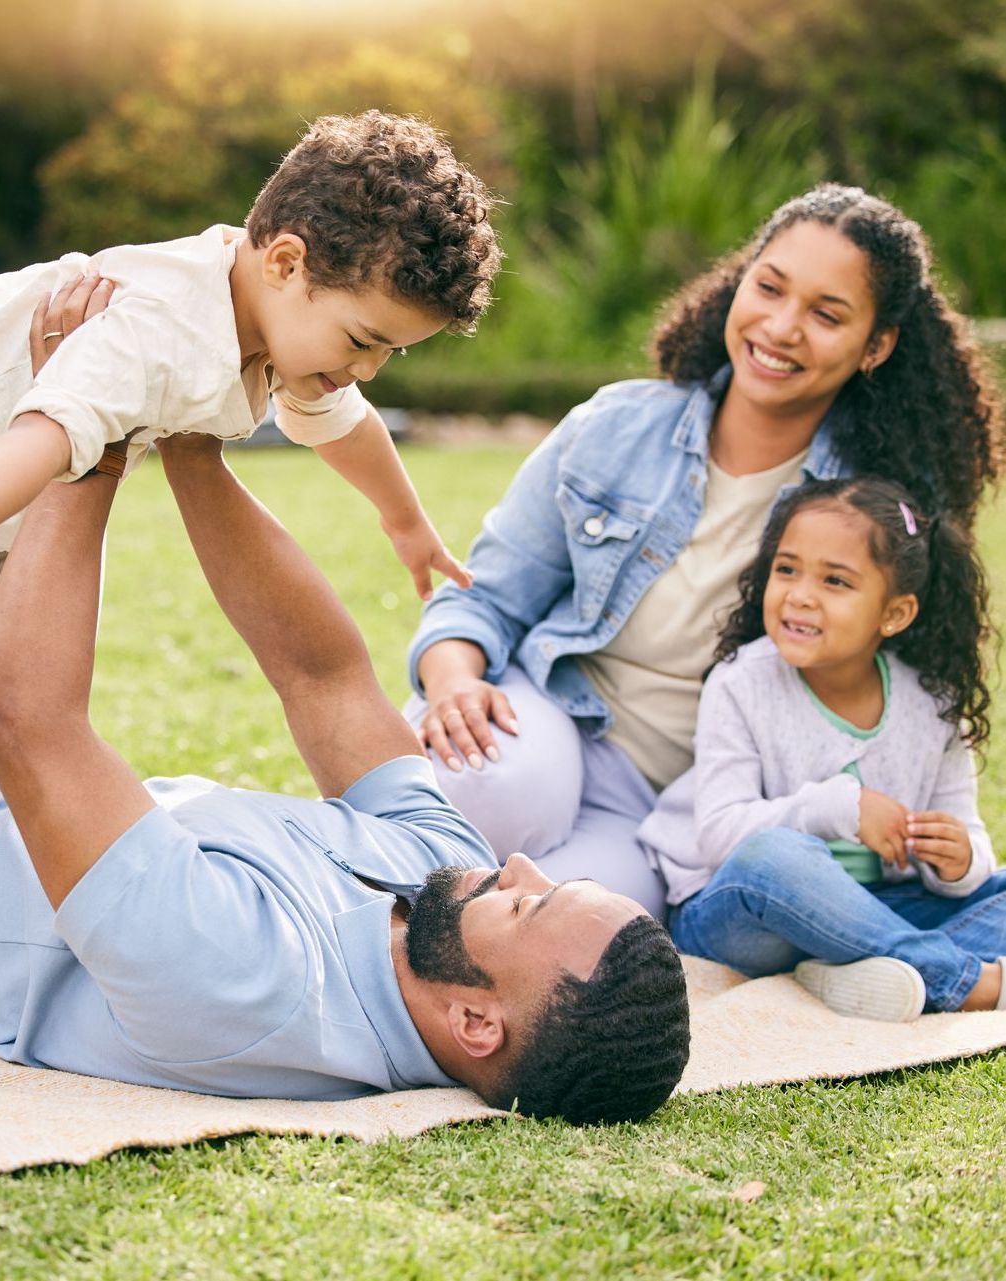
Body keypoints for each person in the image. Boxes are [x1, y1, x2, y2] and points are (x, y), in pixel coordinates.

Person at [0, 292, 690, 1126]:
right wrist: (191, 443)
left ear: (477, 1024)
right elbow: (324, 678)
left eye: (527, 901)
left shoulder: (250, 988)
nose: (513, 864)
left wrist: (87, 420)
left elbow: (26, 719)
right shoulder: (437, 889)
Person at [405, 184, 1003, 920]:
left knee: (573, 925)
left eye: (825, 314)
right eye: (769, 287)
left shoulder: (871, 515)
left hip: (674, 812)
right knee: (491, 788)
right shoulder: (616, 427)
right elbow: (481, 596)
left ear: (875, 346)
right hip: (550, 711)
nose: (781, 327)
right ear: (737, 282)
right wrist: (453, 680)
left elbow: (892, 699)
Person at [0, 110, 496, 679]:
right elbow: (42, 436)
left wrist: (406, 523)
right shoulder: (163, 329)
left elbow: (344, 426)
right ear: (286, 264)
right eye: (363, 342)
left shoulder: (285, 333)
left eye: (389, 353)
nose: (366, 370)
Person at [640, 477, 1006, 1021]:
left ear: (895, 613)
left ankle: (861, 968)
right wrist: (841, 808)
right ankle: (966, 981)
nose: (800, 593)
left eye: (835, 580)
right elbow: (720, 837)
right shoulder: (741, 682)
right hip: (743, 913)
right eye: (787, 569)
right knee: (777, 858)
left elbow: (967, 836)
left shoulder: (934, 704)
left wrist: (959, 861)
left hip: (879, 906)